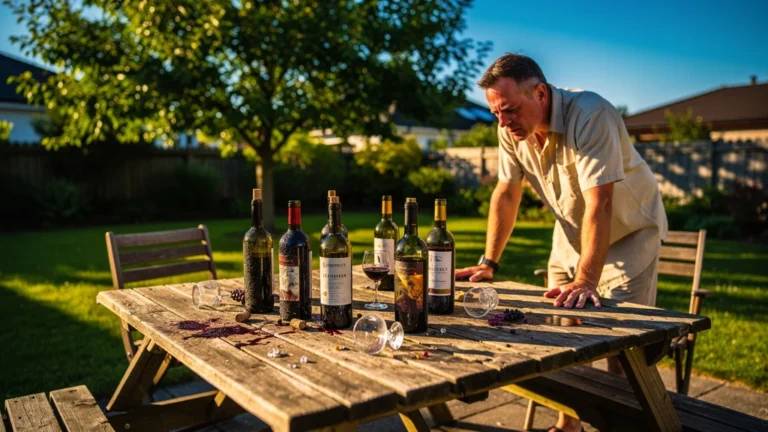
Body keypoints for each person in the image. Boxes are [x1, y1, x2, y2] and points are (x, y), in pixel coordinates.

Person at [455, 53, 668, 432]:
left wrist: (586, 280)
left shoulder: (591, 114)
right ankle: (568, 426)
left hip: (629, 235)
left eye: (509, 110)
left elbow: (600, 204)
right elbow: (506, 194)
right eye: (496, 113)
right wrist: (489, 262)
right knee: (562, 337)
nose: (502, 122)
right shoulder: (510, 131)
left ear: (540, 93)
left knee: (622, 349)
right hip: (570, 235)